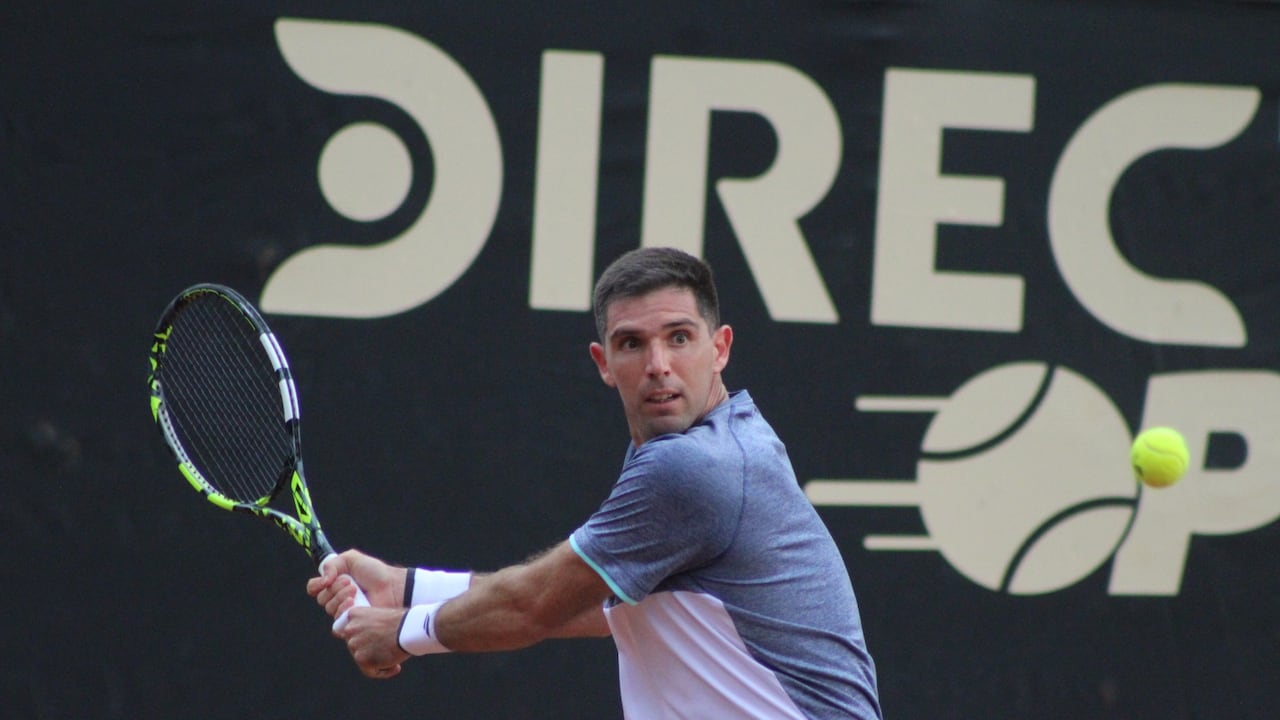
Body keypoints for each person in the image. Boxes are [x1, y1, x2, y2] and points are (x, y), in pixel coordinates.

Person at [309, 247, 882, 719]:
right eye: (632, 343)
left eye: (679, 337)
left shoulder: (693, 469)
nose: (658, 364)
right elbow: (596, 603)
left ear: (720, 348)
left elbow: (534, 605)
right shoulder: (715, 445)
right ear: (603, 362)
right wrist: (408, 589)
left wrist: (401, 632)